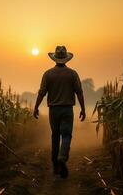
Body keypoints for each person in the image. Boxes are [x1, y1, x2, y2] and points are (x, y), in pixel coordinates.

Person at [33, 45, 86, 178]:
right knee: (66, 135)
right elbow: (79, 93)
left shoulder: (48, 74)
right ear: (66, 59)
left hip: (54, 110)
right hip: (67, 109)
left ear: (55, 59)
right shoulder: (73, 74)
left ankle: (55, 165)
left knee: (55, 135)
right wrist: (83, 109)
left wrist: (36, 107)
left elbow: (42, 93)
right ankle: (62, 158)